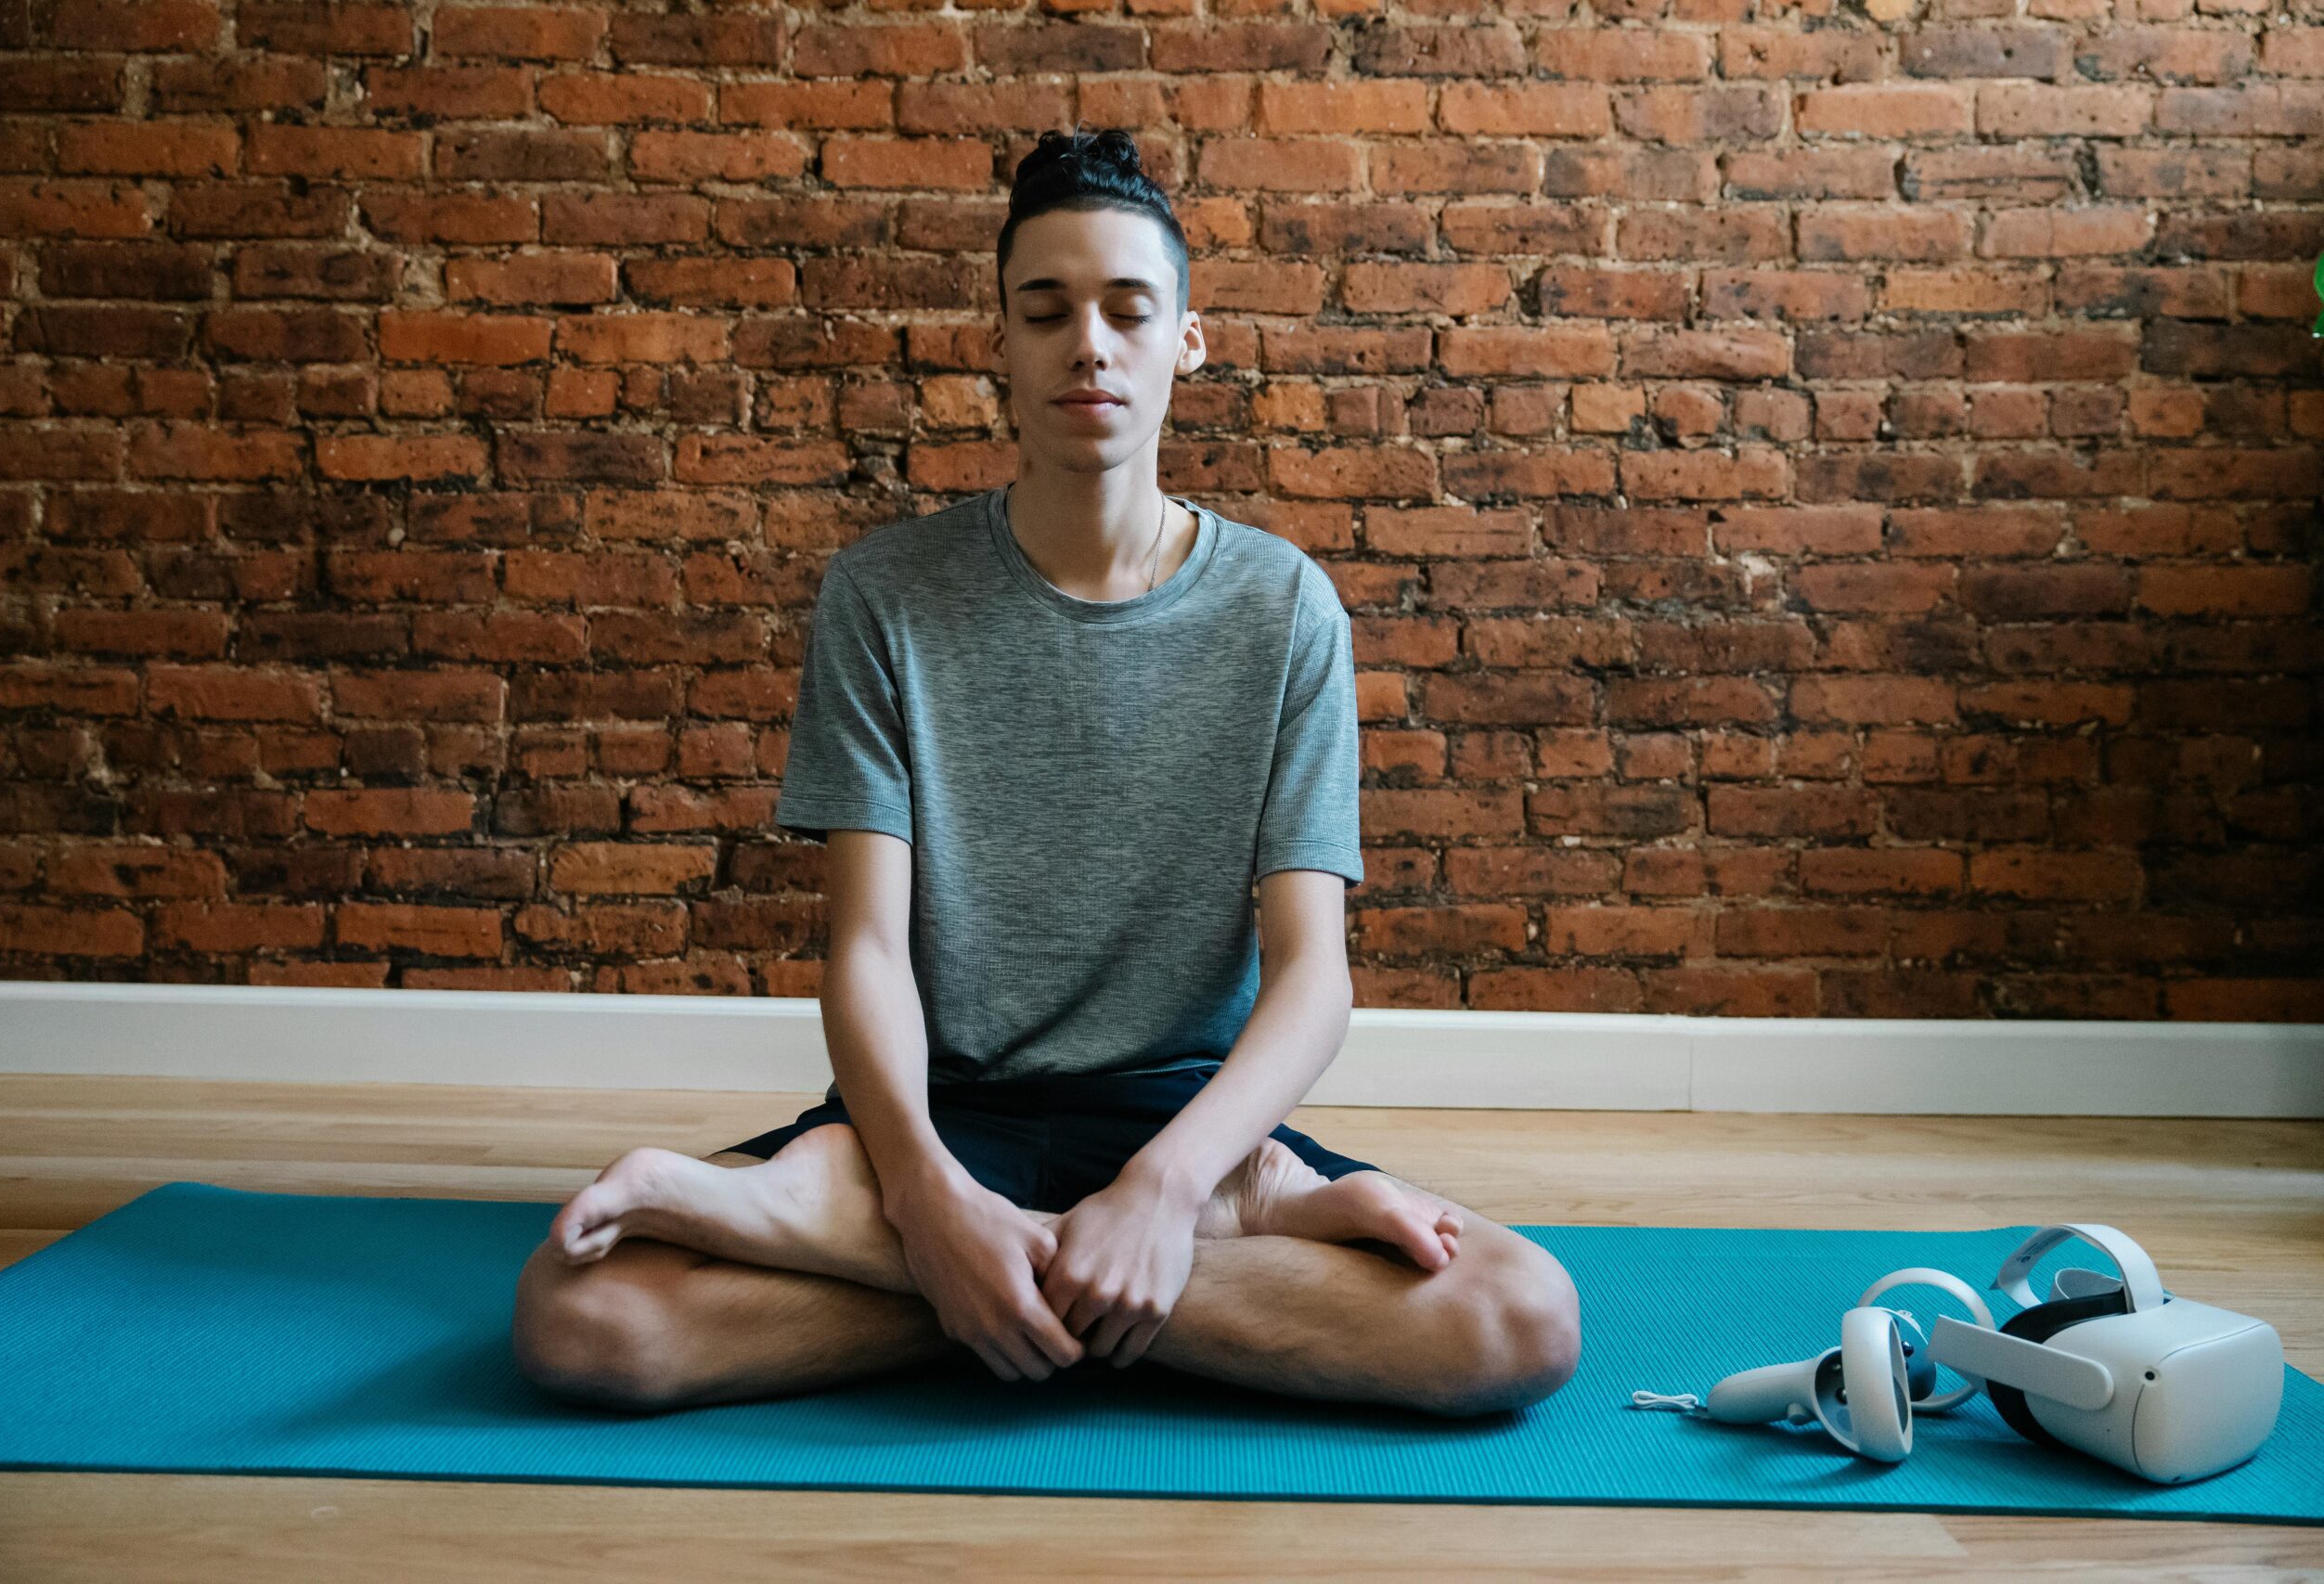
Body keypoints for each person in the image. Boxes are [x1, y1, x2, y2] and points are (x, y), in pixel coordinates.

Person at [511, 129, 1581, 1418]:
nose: (1089, 343)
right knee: (585, 1323)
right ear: (1002, 344)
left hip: (1185, 1126)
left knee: (1522, 1321)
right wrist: (922, 1196)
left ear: (1187, 338)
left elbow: (1312, 976)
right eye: (1046, 310)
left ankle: (971, 1287)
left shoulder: (1284, 608)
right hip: (940, 1111)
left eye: (1129, 310)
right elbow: (865, 951)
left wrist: (1167, 1192)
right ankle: (1077, 1278)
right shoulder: (886, 596)